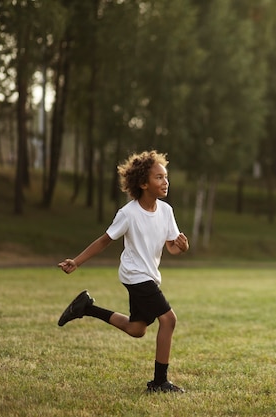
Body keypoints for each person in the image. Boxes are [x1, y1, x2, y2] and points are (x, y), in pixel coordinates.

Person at [57, 150, 189, 393]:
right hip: (135, 275)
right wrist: (77, 261)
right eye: (159, 177)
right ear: (143, 183)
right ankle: (159, 383)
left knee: (137, 329)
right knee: (169, 320)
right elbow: (104, 240)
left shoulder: (166, 211)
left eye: (166, 176)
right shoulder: (128, 213)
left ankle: (86, 307)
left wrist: (182, 246)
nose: (165, 181)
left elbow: (171, 247)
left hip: (149, 276)